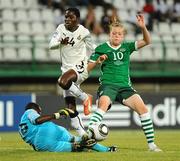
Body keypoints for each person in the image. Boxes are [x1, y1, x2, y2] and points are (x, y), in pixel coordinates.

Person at [87, 13, 162, 152]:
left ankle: (152, 145)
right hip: (108, 85)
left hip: (125, 87)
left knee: (143, 110)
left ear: (123, 36)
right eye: (114, 33)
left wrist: (143, 27)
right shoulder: (101, 48)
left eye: (119, 34)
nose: (116, 36)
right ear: (110, 34)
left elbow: (147, 41)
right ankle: (87, 137)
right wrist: (98, 62)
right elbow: (88, 67)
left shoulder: (127, 47)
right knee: (103, 105)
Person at [49, 8, 96, 136]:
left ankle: (86, 97)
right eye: (66, 17)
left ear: (78, 19)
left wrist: (94, 61)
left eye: (71, 17)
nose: (67, 19)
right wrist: (60, 42)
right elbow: (51, 44)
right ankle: (84, 136)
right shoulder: (60, 29)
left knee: (62, 81)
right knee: (70, 108)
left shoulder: (84, 32)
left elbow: (93, 49)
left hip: (79, 68)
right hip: (66, 70)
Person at [19, 102, 117, 152]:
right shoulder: (29, 112)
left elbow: (33, 143)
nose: (40, 112)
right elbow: (37, 120)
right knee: (81, 141)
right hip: (55, 131)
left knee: (77, 147)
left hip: (43, 141)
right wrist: (57, 115)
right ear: (35, 108)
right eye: (39, 110)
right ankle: (107, 150)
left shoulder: (21, 128)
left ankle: (82, 145)